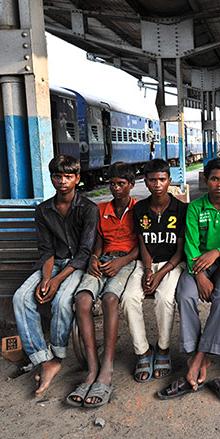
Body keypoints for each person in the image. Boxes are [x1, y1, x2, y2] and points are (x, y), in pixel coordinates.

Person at [158, 157, 220, 402]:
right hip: (196, 266)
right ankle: (195, 354)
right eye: (215, 179)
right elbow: (190, 244)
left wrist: (218, 251)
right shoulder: (195, 208)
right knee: (184, 294)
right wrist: (199, 277)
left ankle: (199, 355)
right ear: (206, 180)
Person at [12, 154, 99, 396]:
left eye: (68, 176)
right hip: (54, 265)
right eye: (57, 176)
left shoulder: (88, 209)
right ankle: (42, 357)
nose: (63, 181)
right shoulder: (43, 211)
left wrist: (57, 282)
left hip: (77, 266)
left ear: (77, 179)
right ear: (51, 178)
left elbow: (84, 252)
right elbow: (46, 250)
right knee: (21, 297)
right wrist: (46, 279)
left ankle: (58, 356)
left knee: (62, 301)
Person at [67, 161, 139, 408]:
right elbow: (98, 241)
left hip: (127, 261)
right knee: (82, 299)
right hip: (103, 259)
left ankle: (107, 366)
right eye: (112, 184)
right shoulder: (101, 209)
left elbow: (142, 245)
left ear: (131, 185)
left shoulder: (138, 209)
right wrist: (95, 258)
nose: (116, 188)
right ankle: (92, 367)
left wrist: (122, 262)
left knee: (110, 299)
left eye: (121, 184)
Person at [122, 158, 187, 383]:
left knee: (165, 298)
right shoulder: (140, 208)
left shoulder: (181, 209)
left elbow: (180, 251)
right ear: (146, 182)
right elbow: (142, 244)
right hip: (146, 263)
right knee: (129, 298)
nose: (157, 184)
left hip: (173, 264)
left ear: (169, 181)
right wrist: (148, 270)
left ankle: (163, 348)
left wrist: (160, 274)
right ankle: (143, 351)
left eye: (162, 179)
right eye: (152, 180)